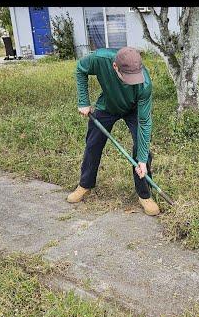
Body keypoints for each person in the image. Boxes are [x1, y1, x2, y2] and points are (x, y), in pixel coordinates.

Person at [66, 46, 160, 216]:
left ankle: (144, 195)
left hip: (133, 109)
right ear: (115, 67)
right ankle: (85, 185)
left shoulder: (144, 85)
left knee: (142, 147)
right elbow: (80, 69)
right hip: (108, 105)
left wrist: (143, 159)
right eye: (128, 78)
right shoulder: (100, 59)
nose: (133, 82)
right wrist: (83, 101)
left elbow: (145, 122)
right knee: (93, 144)